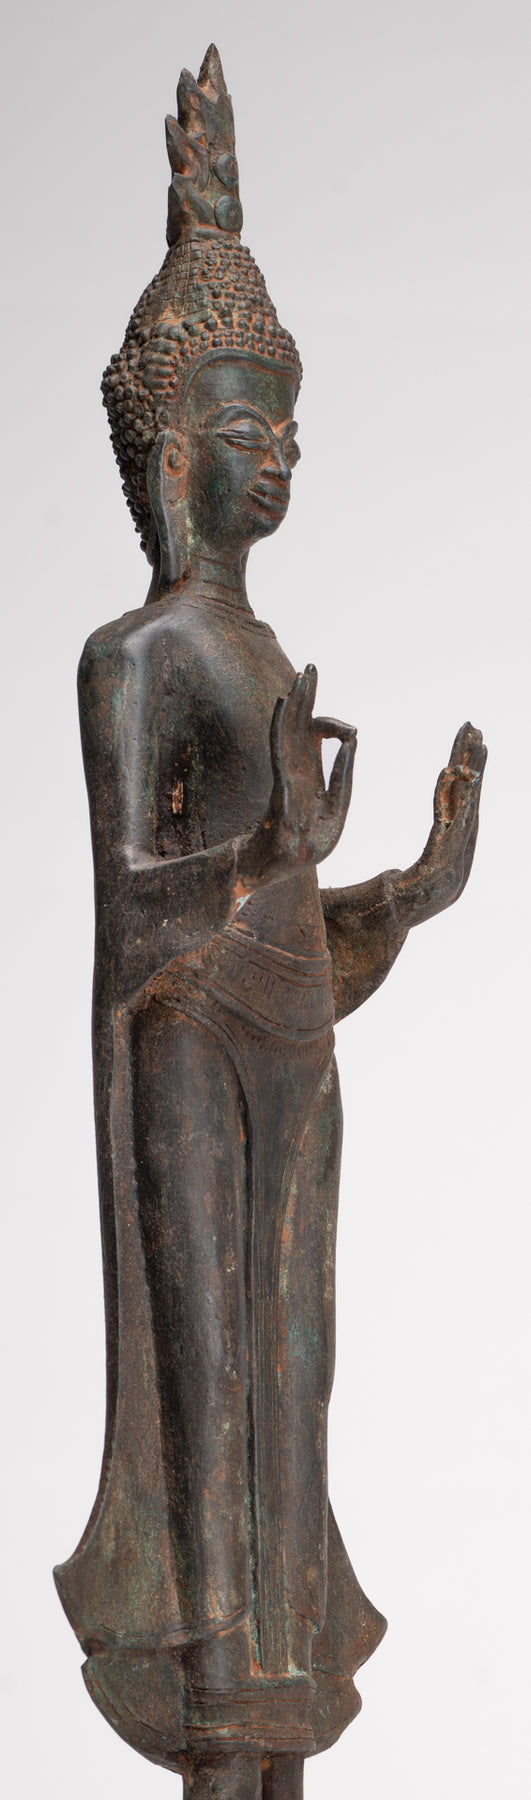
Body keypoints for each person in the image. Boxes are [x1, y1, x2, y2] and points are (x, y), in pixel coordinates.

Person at [54, 48, 486, 1800]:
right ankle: (221, 1721)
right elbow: (133, 905)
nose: (280, 459)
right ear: (174, 452)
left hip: (293, 1061)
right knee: (215, 1389)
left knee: (296, 1409)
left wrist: (407, 892)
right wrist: (263, 857)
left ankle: (280, 1730)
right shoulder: (138, 658)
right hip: (188, 1061)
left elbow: (290, 921)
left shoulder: (263, 654)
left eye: (292, 432)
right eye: (248, 434)